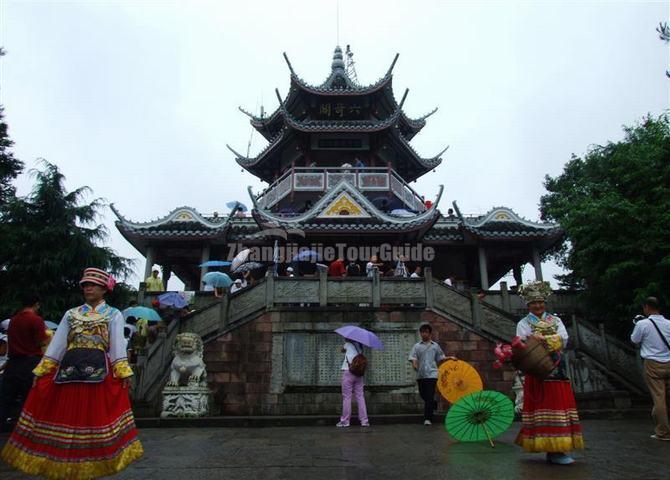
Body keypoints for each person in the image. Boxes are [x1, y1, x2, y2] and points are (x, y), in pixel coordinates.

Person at [1, 268, 143, 478]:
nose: (88, 288)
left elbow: (116, 348)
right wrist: (42, 371)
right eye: (85, 284)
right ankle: (66, 464)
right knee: (68, 417)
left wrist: (122, 373)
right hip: (69, 371)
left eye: (92, 284)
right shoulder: (71, 314)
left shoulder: (113, 315)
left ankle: (90, 464)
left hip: (98, 372)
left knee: (92, 418)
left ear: (104, 289)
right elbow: (57, 346)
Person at [515, 281, 584, 465]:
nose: (537, 306)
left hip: (557, 369)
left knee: (559, 406)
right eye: (533, 303)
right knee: (543, 408)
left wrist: (541, 339)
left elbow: (564, 338)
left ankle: (559, 448)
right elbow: (522, 342)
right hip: (537, 371)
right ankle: (550, 448)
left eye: (540, 302)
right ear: (528, 305)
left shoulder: (556, 320)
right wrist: (540, 340)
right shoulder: (523, 323)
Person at [0, 295, 48, 431]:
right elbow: (42, 342)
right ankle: (24, 426)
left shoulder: (13, 320)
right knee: (28, 396)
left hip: (13, 362)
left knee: (7, 396)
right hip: (30, 362)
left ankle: (3, 423)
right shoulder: (36, 320)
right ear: (36, 305)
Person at [631, 297, 670, 441]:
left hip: (653, 363)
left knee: (659, 398)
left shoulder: (643, 324)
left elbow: (634, 340)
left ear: (647, 307)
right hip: (669, 361)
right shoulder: (668, 324)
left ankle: (664, 432)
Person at [409, 323, 453, 425]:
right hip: (421, 375)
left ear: (430, 334)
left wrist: (450, 358)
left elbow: (440, 357)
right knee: (423, 394)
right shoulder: (417, 346)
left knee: (429, 395)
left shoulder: (435, 346)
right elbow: (413, 358)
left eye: (426, 332)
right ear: (420, 333)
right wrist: (415, 364)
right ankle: (433, 403)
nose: (424, 334)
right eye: (422, 332)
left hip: (432, 374)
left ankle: (427, 418)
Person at [337, 340, 369, 428]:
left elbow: (342, 350)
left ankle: (345, 421)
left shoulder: (347, 344)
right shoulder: (360, 347)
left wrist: (345, 345)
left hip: (348, 372)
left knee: (347, 397)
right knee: (360, 397)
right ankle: (364, 421)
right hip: (359, 374)